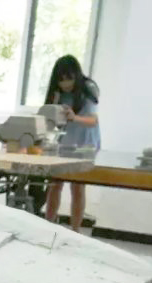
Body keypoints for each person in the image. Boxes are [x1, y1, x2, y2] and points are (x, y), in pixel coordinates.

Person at [43, 55, 100, 232]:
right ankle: (47, 227)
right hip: (64, 143)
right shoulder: (58, 92)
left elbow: (93, 120)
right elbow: (51, 121)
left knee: (77, 187)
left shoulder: (88, 88)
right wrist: (54, 107)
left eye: (69, 79)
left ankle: (76, 231)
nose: (65, 83)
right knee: (55, 185)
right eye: (61, 80)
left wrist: (74, 117)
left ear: (76, 76)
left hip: (85, 144)